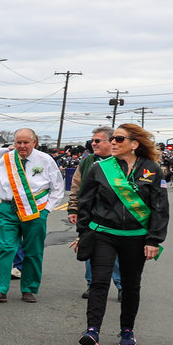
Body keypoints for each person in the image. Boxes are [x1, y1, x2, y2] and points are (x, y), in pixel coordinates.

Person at [75, 123, 167, 345]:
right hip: (103, 234)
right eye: (113, 139)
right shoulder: (100, 168)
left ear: (134, 144)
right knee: (99, 282)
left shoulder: (152, 169)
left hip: (136, 237)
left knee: (131, 285)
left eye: (119, 139)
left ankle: (127, 330)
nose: (113, 142)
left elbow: (159, 207)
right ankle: (92, 330)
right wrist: (83, 234)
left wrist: (154, 240)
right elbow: (85, 203)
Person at [0, 128, 65, 303]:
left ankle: (29, 289)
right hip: (8, 210)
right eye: (18, 143)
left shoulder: (45, 160)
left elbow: (57, 188)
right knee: (5, 247)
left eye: (26, 143)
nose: (22, 146)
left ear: (34, 142)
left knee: (33, 251)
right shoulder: (6, 160)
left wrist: (47, 210)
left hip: (36, 211)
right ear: (14, 143)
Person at [68, 128, 123, 300]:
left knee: (116, 252)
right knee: (90, 248)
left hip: (115, 215)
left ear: (111, 142)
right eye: (93, 140)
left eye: (98, 140)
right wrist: (73, 208)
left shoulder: (121, 162)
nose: (93, 143)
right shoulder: (87, 161)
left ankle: (122, 285)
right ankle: (92, 285)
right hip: (90, 214)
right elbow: (76, 185)